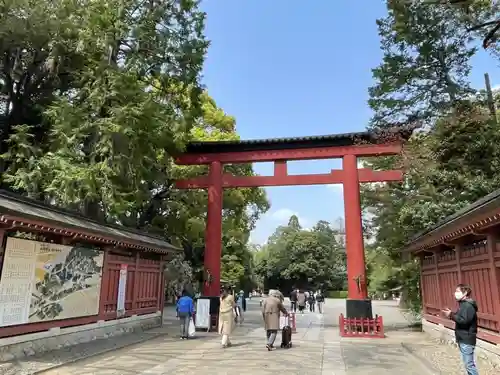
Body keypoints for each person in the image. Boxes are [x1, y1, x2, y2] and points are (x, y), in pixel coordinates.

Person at [442, 284, 478, 375]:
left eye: (457, 291)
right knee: (468, 364)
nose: (455, 293)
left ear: (465, 293)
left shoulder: (468, 306)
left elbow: (464, 321)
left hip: (467, 338)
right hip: (462, 338)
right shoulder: (463, 305)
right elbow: (460, 317)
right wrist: (451, 314)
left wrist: (451, 315)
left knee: (469, 365)